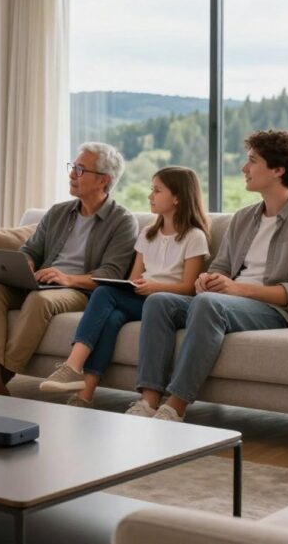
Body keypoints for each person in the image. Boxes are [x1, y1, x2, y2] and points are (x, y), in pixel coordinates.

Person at [127, 130, 288, 422]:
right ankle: (148, 401)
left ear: (278, 170)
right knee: (161, 301)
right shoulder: (243, 218)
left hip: (277, 311)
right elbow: (221, 268)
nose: (243, 168)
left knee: (208, 304)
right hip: (228, 301)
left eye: (252, 161)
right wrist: (208, 280)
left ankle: (175, 406)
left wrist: (236, 290)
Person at [0, 142, 140, 396]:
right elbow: (31, 249)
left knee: (40, 300)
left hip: (81, 290)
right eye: (73, 167)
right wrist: (26, 263)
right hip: (44, 281)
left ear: (104, 180)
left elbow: (111, 275)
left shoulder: (123, 222)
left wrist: (67, 278)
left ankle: (2, 376)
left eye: (81, 169)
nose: (72, 174)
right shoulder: (58, 212)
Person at [40, 167, 211, 408]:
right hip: (142, 300)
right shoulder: (148, 234)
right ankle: (84, 395)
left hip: (168, 305)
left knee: (102, 293)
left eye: (157, 190)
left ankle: (72, 367)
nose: (150, 196)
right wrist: (139, 285)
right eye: (152, 189)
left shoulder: (194, 237)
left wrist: (155, 287)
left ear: (178, 197)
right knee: (112, 318)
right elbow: (133, 279)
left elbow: (189, 289)